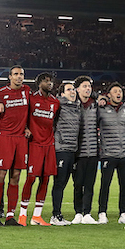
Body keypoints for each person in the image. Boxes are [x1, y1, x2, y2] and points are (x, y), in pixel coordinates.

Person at [0, 65, 32, 226]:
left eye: (21, 74)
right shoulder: (0, 94)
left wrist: (27, 126)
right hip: (4, 138)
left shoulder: (27, 91)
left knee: (16, 176)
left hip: (21, 138)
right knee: (0, 175)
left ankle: (10, 215)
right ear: (10, 77)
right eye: (15, 74)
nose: (19, 77)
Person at [21, 72, 58, 226]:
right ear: (39, 83)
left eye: (51, 81)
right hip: (34, 144)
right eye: (46, 81)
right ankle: (22, 215)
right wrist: (26, 127)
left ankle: (37, 216)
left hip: (49, 145)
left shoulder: (55, 102)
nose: (50, 84)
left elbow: (55, 122)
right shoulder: (31, 98)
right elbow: (23, 116)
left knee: (45, 179)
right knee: (31, 178)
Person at [97, 82, 125, 224]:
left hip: (124, 153)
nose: (119, 93)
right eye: (115, 91)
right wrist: (101, 99)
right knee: (105, 184)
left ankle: (123, 214)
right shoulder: (101, 109)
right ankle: (102, 213)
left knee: (124, 185)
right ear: (109, 95)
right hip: (108, 153)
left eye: (120, 91)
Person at [50, 81, 81, 225]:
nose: (72, 92)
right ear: (62, 94)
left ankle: (58, 214)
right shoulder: (58, 105)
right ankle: (55, 215)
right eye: (69, 90)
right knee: (59, 182)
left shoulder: (77, 107)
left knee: (64, 183)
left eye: (74, 89)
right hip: (61, 149)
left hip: (72, 150)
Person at [71, 76, 98, 224]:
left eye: (89, 86)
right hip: (77, 153)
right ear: (77, 89)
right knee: (78, 184)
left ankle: (87, 213)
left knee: (89, 184)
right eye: (85, 86)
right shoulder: (71, 105)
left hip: (93, 152)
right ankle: (78, 212)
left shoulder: (96, 105)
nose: (88, 89)